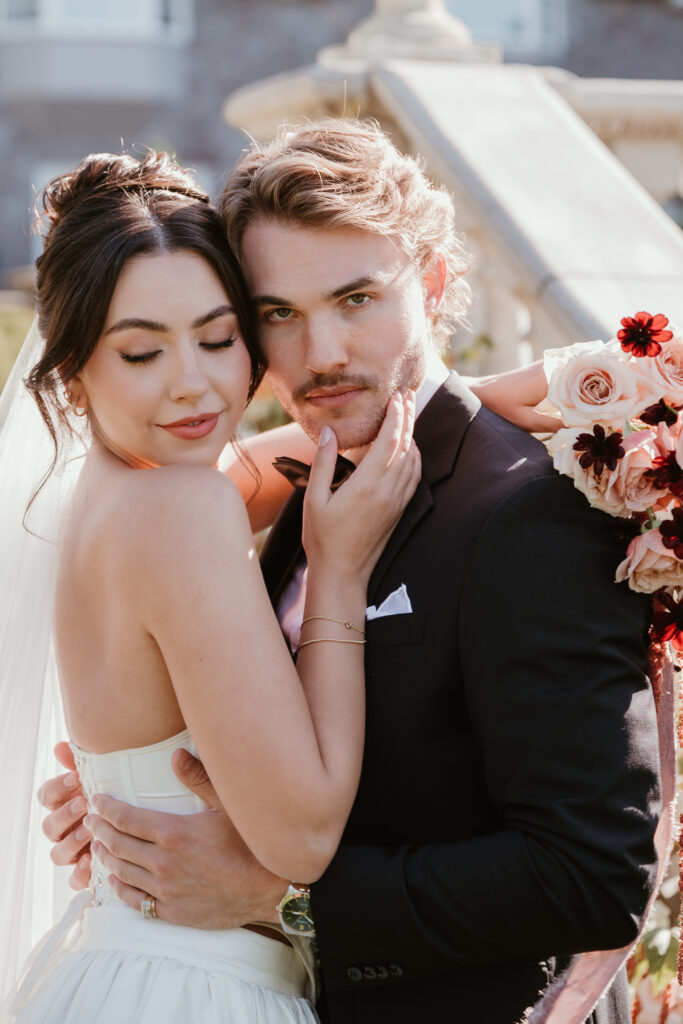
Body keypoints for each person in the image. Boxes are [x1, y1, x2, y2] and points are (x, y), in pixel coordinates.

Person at [40, 120, 661, 1024]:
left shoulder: (524, 516)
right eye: (278, 316)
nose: (321, 352)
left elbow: (592, 874)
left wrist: (280, 904)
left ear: (436, 284)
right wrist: (126, 795)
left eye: (357, 299)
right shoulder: (288, 487)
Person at [0, 148, 424, 1023]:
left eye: (219, 338)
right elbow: (301, 837)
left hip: (122, 966)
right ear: (73, 372)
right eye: (142, 352)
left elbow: (273, 465)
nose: (194, 383)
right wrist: (337, 573)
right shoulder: (182, 506)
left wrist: (494, 399)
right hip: (201, 987)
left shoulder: (105, 495)